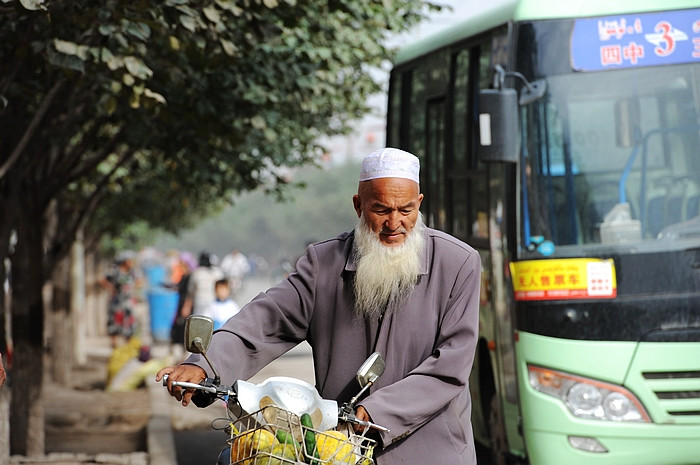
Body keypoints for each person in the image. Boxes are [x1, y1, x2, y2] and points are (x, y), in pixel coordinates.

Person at [157, 147, 481, 464]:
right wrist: (203, 364)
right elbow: (266, 319)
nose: (394, 222)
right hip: (335, 450)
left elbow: (450, 367)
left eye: (406, 210)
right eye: (381, 210)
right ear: (358, 206)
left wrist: (376, 410)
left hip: (432, 452)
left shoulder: (458, 264)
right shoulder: (323, 263)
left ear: (419, 204)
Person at [100, 252, 140, 348]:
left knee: (129, 324)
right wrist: (111, 288)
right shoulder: (114, 271)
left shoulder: (133, 271)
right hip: (116, 302)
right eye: (129, 260)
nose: (131, 262)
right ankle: (114, 346)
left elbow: (140, 281)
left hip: (128, 303)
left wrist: (132, 287)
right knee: (114, 323)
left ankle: (128, 347)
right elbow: (102, 280)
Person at [180, 251, 224, 320]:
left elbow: (191, 292)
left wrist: (186, 306)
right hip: (208, 302)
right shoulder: (217, 273)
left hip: (203, 302)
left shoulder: (197, 273)